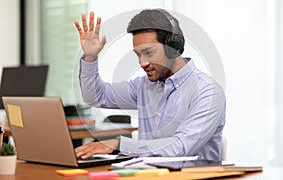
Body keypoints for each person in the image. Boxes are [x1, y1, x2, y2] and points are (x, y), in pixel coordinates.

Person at [74, 9, 226, 161]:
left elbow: (181, 147)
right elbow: (95, 96)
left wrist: (119, 144)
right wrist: (90, 57)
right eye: (138, 55)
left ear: (172, 47)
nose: (142, 63)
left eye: (148, 53)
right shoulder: (143, 86)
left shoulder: (207, 92)